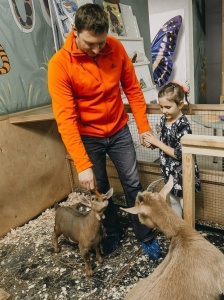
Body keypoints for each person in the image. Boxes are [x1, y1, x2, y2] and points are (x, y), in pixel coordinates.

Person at [47, 3, 161, 260]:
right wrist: (82, 162)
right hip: (88, 136)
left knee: (133, 183)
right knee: (100, 189)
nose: (98, 49)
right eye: (91, 43)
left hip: (119, 130)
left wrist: (143, 127)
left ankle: (145, 235)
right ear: (74, 30)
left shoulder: (116, 48)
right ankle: (111, 233)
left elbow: (133, 89)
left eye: (101, 42)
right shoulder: (60, 65)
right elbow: (65, 118)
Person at [143, 82, 201, 217]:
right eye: (161, 107)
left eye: (168, 107)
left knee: (184, 203)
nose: (163, 111)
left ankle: (188, 231)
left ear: (180, 104)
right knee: (173, 201)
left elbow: (180, 153)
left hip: (182, 172)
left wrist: (157, 142)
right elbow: (165, 144)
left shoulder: (183, 125)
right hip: (169, 170)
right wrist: (152, 144)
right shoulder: (164, 120)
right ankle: (178, 229)